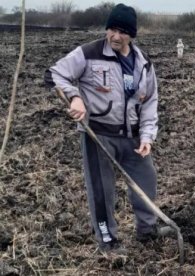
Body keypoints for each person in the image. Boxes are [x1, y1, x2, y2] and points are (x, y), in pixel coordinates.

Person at [44, 3, 161, 253]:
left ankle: (147, 230)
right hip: (98, 135)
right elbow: (54, 74)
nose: (116, 36)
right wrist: (74, 96)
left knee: (146, 182)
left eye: (123, 32)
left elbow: (150, 102)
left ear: (132, 34)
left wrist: (147, 136)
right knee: (102, 191)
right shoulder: (89, 53)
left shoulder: (143, 63)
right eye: (112, 30)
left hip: (133, 136)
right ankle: (107, 239)